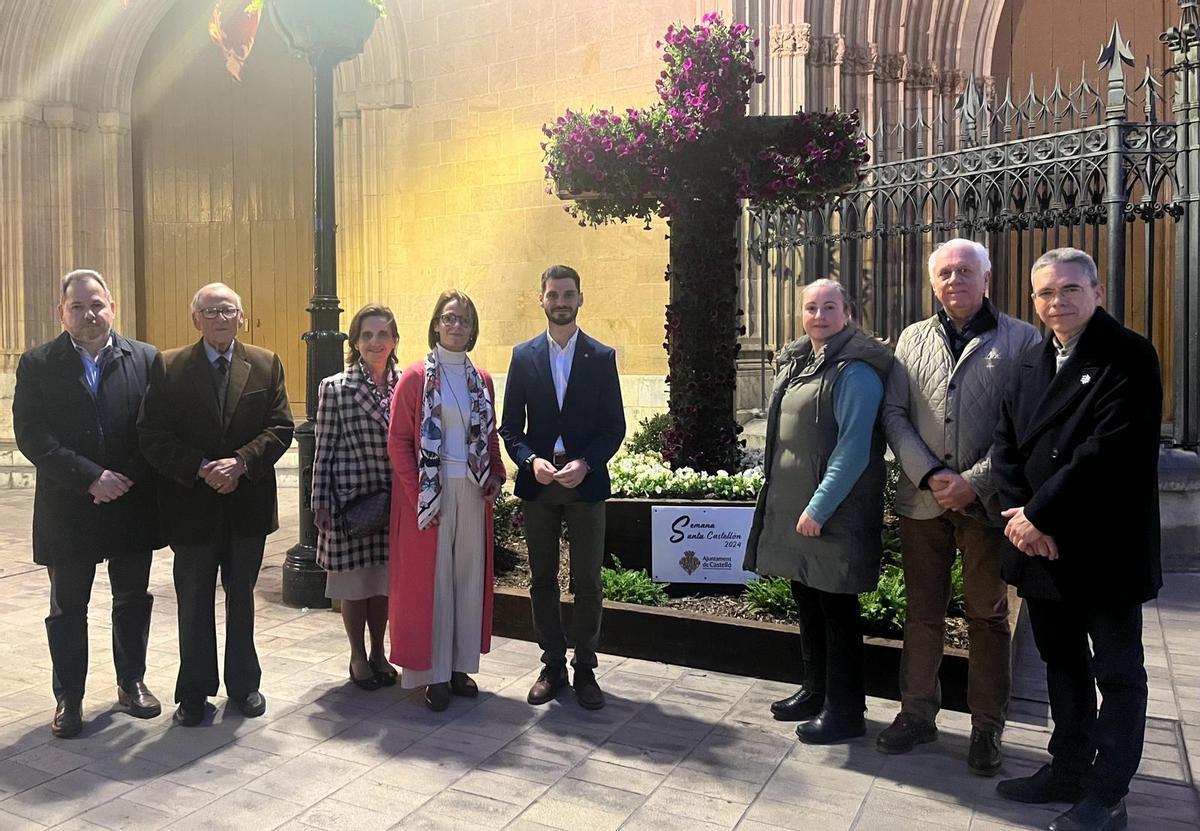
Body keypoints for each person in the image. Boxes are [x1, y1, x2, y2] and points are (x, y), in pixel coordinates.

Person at [991, 248, 1162, 831]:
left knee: (1117, 672)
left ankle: (1107, 791)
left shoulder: (1129, 355)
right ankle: (1065, 768)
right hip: (1040, 546)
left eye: (1069, 289)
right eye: (1045, 293)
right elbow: (1005, 446)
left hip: (1101, 544)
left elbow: (1110, 452)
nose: (1056, 302)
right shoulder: (1030, 362)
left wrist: (1040, 516)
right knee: (1061, 663)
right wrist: (1023, 521)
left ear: (1097, 293)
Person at [879, 238, 1041, 774]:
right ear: (933, 283)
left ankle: (986, 727)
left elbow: (1028, 428)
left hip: (987, 507)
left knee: (988, 616)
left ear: (986, 278)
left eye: (965, 271)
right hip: (922, 501)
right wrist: (929, 473)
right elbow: (895, 415)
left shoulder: (1020, 340)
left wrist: (972, 481)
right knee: (922, 613)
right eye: (945, 273)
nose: (955, 280)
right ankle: (917, 714)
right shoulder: (912, 338)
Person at [12, 269, 162, 738]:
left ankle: (131, 681)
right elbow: (33, 435)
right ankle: (69, 697)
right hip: (68, 505)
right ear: (63, 312)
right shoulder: (38, 364)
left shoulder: (145, 358)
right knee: (67, 607)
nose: (89, 314)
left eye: (97, 304)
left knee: (133, 598)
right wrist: (90, 477)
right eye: (77, 307)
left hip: (131, 501)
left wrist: (125, 476)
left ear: (112, 307)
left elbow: (157, 429)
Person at [743, 279, 893, 744]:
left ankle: (846, 709)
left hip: (830, 513)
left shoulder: (855, 371)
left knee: (837, 609)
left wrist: (820, 507)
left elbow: (853, 449)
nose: (820, 315)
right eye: (811, 307)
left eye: (830, 306)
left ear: (847, 311)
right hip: (797, 507)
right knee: (808, 599)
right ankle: (816, 690)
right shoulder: (801, 363)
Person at [138, 282, 293, 727]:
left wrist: (241, 463)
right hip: (191, 507)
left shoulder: (265, 364)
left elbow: (280, 427)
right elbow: (152, 433)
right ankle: (193, 691)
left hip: (246, 506)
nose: (219, 318)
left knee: (241, 600)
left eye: (227, 310)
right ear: (195, 319)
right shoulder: (168, 367)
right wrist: (202, 467)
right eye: (209, 311)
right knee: (193, 600)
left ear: (242, 317)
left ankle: (245, 685)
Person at [500, 264, 626, 710]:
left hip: (584, 484)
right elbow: (510, 427)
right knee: (541, 579)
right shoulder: (523, 356)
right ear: (541, 299)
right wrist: (529, 460)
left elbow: (615, 427)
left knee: (588, 580)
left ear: (580, 298)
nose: (560, 301)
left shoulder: (602, 356)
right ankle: (552, 663)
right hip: (540, 484)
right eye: (553, 294)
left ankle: (586, 667)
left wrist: (587, 462)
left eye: (568, 294)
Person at [387, 290, 505, 711]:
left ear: (473, 329)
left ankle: (458, 667)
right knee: (431, 584)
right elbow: (399, 440)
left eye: (465, 320)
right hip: (428, 495)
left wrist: (496, 471)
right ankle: (431, 674)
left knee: (466, 580)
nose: (457, 326)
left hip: (472, 491)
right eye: (449, 318)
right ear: (436, 323)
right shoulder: (416, 378)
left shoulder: (482, 379)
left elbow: (489, 435)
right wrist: (417, 491)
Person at [312, 305, 400, 691]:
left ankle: (380, 651)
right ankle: (357, 655)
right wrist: (320, 502)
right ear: (355, 341)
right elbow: (323, 449)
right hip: (350, 504)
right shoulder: (335, 387)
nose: (375, 342)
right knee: (354, 585)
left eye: (383, 335)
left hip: (393, 503)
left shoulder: (408, 384)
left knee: (381, 584)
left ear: (395, 340)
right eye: (367, 335)